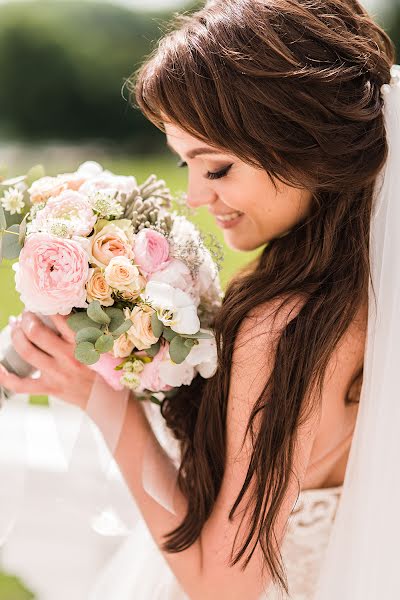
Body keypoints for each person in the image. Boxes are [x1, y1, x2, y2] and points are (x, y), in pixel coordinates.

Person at [0, 0, 397, 598]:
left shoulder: (285, 327)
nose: (193, 196)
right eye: (184, 163)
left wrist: (104, 400)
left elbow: (223, 585)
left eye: (216, 169)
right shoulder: (362, 292)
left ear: (306, 148)